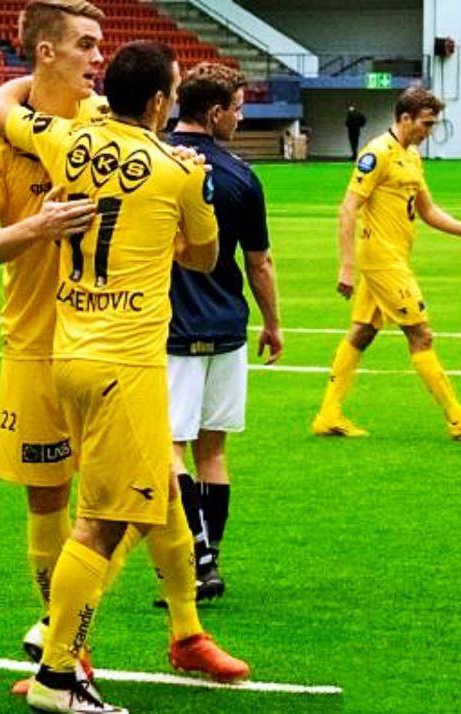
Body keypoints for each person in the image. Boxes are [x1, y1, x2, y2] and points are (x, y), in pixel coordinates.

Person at [0, 40, 251, 713]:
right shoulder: (178, 170)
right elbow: (205, 257)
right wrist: (168, 221)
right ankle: (57, 670)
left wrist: (47, 81)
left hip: (69, 354)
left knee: (161, 494)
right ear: (159, 102)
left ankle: (186, 634)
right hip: (125, 365)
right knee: (102, 524)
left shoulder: (67, 141)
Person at [0, 0, 109, 693]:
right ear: (46, 52)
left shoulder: (103, 123)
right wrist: (37, 229)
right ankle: (66, 644)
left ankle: (181, 629)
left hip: (110, 342)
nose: (98, 58)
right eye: (85, 45)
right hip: (35, 349)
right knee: (49, 502)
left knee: (147, 495)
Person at [156, 62, 282, 605]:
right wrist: (272, 323)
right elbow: (259, 263)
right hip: (227, 324)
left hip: (171, 327)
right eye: (237, 108)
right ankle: (209, 559)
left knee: (170, 450)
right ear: (214, 113)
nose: (240, 117)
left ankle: (196, 561)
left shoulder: (154, 160)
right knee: (213, 452)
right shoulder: (241, 176)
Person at [312, 86, 461, 440]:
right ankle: (457, 415)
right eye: (425, 124)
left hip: (395, 258)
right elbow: (348, 208)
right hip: (382, 261)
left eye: (432, 124)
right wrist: (346, 266)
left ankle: (328, 415)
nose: (429, 132)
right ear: (405, 118)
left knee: (362, 332)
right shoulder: (377, 153)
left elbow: (428, 211)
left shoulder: (411, 156)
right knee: (421, 334)